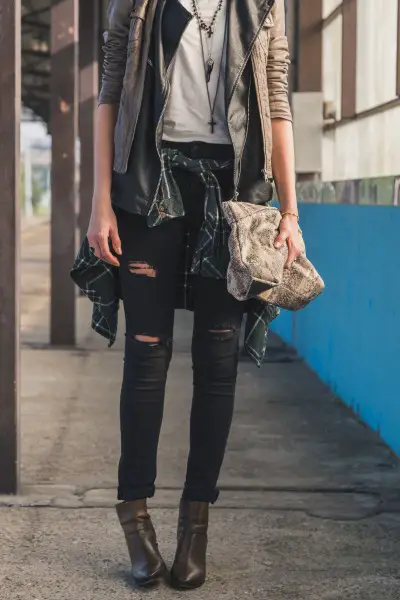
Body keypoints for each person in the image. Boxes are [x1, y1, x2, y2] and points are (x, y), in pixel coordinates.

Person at [78, 0, 302, 590]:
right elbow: (110, 93)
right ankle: (135, 516)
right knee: (147, 354)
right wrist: (100, 200)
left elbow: (276, 101)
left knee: (218, 358)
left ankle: (195, 524)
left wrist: (290, 211)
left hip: (231, 193)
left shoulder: (260, 6)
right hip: (150, 183)